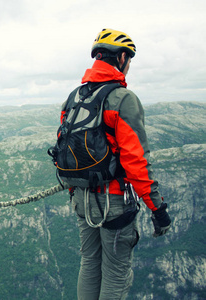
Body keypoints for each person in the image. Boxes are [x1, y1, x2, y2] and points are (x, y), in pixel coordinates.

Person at [60, 29, 172, 299]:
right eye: (129, 59)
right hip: (113, 201)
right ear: (122, 58)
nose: (129, 65)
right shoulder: (123, 99)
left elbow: (66, 148)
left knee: (89, 264)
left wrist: (75, 191)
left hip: (82, 198)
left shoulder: (74, 97)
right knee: (116, 272)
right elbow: (136, 161)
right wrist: (157, 208)